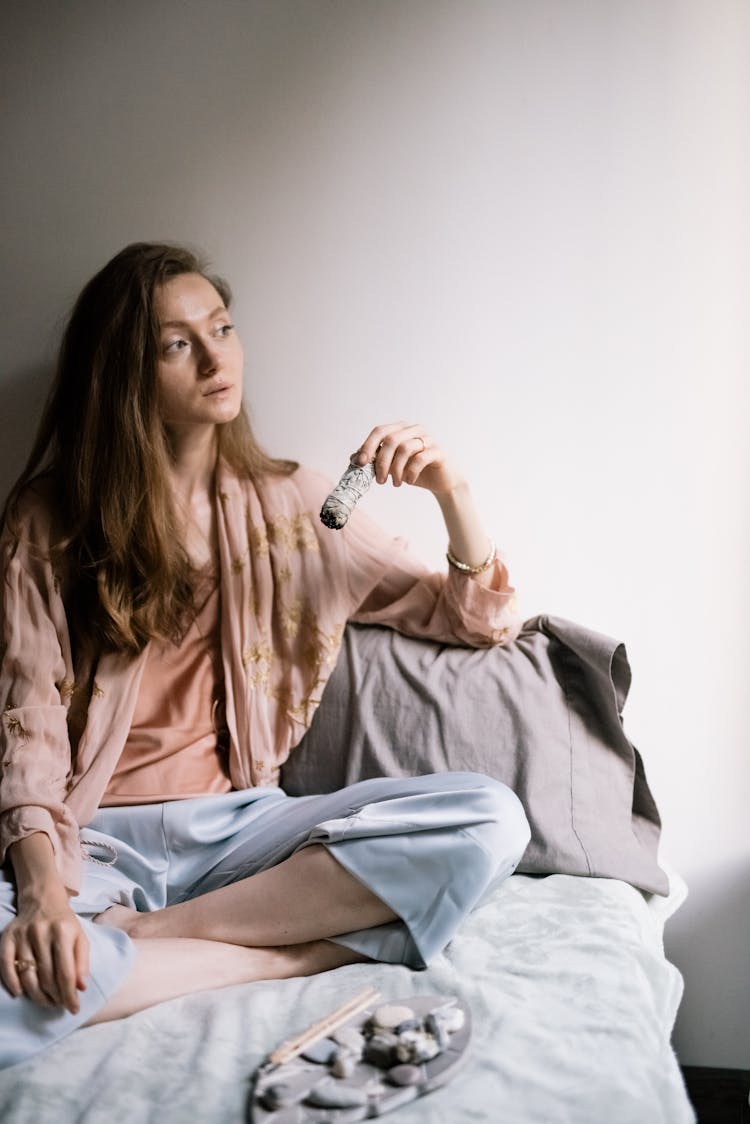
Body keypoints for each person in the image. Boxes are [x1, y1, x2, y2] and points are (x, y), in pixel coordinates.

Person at [0, 242, 530, 1069]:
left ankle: (150, 943)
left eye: (223, 327)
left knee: (489, 817)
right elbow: (26, 719)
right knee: (15, 975)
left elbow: (471, 618)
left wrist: (450, 490)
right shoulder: (49, 522)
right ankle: (287, 955)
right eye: (178, 343)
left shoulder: (298, 507)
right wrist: (42, 895)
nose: (217, 357)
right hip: (92, 843)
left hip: (242, 836)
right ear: (124, 375)